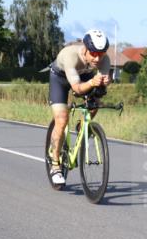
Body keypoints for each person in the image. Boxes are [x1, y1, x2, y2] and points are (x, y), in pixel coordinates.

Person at [47, 29, 111, 185]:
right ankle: (55, 165)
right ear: (85, 48)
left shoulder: (104, 59)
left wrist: (105, 82)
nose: (97, 58)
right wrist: (91, 83)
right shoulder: (71, 56)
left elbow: (100, 86)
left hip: (84, 75)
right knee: (61, 120)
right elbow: (76, 88)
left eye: (101, 54)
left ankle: (82, 126)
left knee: (96, 101)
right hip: (60, 78)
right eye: (94, 53)